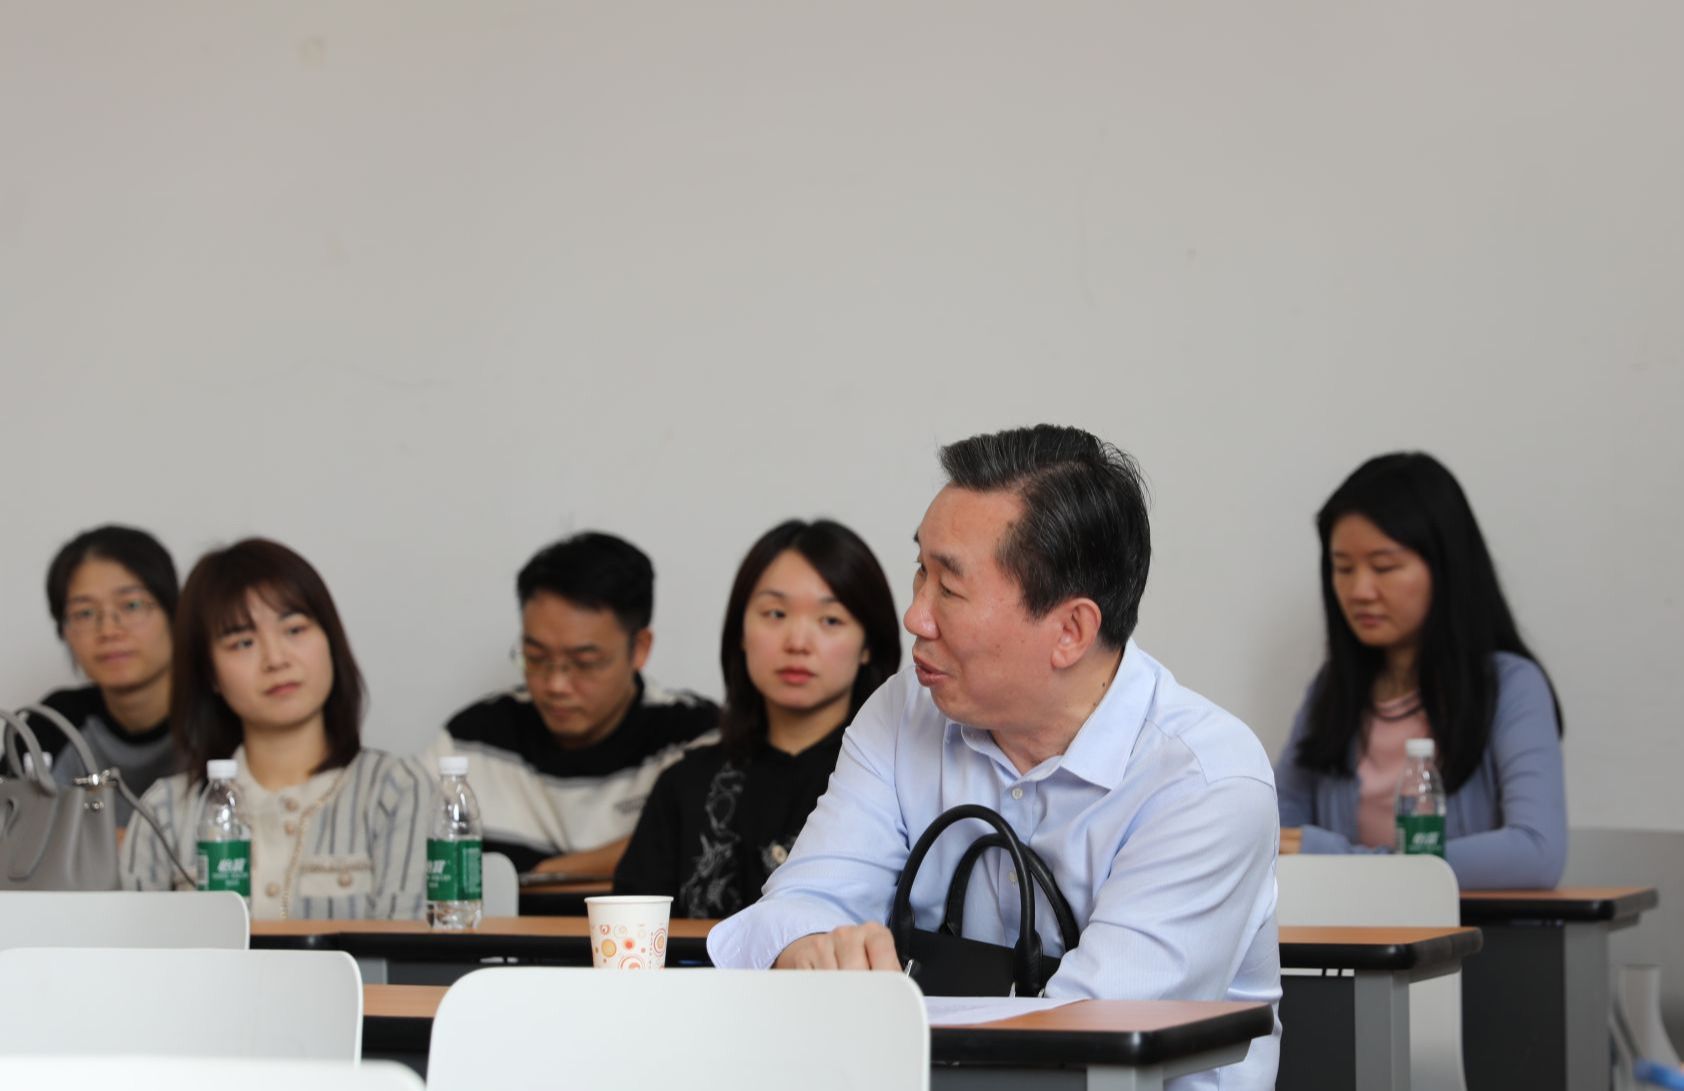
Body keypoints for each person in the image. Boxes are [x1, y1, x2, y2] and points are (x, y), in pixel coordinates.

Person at [706, 425, 1280, 1091]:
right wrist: (804, 950)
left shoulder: (1204, 779)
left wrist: (884, 1016)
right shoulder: (905, 709)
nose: (914, 617)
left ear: (1070, 631)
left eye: (949, 589)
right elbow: (802, 899)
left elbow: (1088, 1037)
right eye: (920, 571)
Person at [1274, 452, 1567, 889]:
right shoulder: (1332, 689)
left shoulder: (1510, 686)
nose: (1360, 590)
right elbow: (1276, 832)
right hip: (1348, 930)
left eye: (1385, 567)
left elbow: (1535, 852)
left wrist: (1350, 863)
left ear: (1445, 568)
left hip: (1473, 931)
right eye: (1343, 568)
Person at [122, 538, 429, 920]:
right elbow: (135, 953)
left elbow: (404, 952)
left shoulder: (396, 792)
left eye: (295, 629)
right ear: (209, 673)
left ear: (330, 641)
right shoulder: (164, 812)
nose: (276, 659)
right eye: (243, 642)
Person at [614, 519, 902, 916]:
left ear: (868, 644)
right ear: (740, 632)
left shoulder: (897, 783)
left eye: (830, 620)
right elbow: (629, 931)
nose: (797, 643)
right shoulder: (684, 785)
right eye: (775, 613)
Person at [430, 532, 718, 875]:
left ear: (640, 648)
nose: (556, 684)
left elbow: (700, 838)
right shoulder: (470, 742)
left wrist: (540, 876)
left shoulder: (694, 737)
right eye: (536, 657)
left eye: (584, 663)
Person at [33, 525, 182, 824]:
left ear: (175, 614)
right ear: (64, 631)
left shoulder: (223, 718)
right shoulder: (55, 725)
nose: (109, 630)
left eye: (132, 605)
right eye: (85, 613)